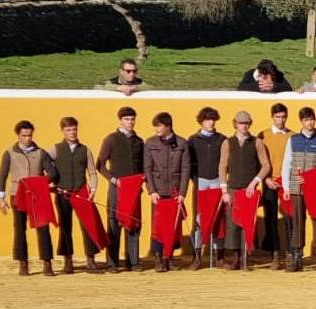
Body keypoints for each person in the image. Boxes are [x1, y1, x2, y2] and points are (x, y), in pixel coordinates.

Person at [0, 120, 59, 276]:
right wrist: (0, 198)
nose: (28, 138)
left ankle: (47, 262)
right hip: (17, 194)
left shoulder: (41, 152)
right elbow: (2, 176)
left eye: (30, 135)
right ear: (18, 135)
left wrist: (40, 182)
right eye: (24, 135)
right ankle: (23, 263)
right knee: (19, 229)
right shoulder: (9, 153)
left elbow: (52, 173)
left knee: (43, 228)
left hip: (38, 195)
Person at [218, 111, 270, 270]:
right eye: (241, 123)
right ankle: (236, 258)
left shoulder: (257, 142)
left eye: (246, 123)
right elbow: (222, 166)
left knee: (248, 224)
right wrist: (224, 190)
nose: (244, 126)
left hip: (249, 190)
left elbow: (266, 165)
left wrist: (255, 182)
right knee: (233, 224)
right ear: (235, 124)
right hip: (233, 188)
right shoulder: (228, 142)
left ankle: (246, 258)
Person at [281, 107, 316, 272]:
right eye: (306, 120)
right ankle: (297, 258)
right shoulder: (293, 140)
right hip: (296, 187)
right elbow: (287, 164)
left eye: (312, 119)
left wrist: (312, 180)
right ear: (301, 122)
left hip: (315, 189)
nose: (310, 123)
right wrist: (287, 187)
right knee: (297, 222)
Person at [48, 116, 100, 274]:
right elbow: (44, 166)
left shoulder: (85, 149)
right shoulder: (55, 149)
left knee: (88, 226)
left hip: (81, 192)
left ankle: (91, 260)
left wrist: (93, 189)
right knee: (65, 227)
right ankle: (68, 261)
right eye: (68, 130)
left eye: (74, 129)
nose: (72, 132)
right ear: (63, 131)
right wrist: (50, 183)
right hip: (63, 193)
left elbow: (92, 172)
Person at [97, 106, 144, 272]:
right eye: (126, 119)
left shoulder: (138, 141)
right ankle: (112, 262)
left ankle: (133, 261)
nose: (130, 122)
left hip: (134, 188)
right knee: (114, 222)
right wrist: (113, 179)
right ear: (120, 121)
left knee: (134, 222)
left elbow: (143, 165)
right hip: (118, 186)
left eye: (132, 119)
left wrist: (142, 178)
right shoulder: (111, 139)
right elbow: (100, 164)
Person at [144, 112, 191, 273]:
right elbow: (147, 168)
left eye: (159, 126)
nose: (156, 128)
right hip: (158, 191)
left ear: (168, 126)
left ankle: (168, 258)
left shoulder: (182, 143)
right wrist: (151, 190)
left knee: (173, 226)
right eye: (155, 126)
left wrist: (183, 192)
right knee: (158, 226)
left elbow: (186, 170)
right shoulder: (150, 143)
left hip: (175, 191)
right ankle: (158, 258)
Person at [186, 107, 226, 270]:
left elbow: (225, 162)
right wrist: (195, 180)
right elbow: (189, 163)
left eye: (213, 119)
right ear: (201, 121)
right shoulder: (193, 140)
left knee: (218, 218)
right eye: (208, 119)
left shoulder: (222, 139)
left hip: (216, 180)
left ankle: (219, 257)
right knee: (199, 218)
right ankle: (197, 256)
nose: (211, 122)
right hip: (200, 181)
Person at [258, 103, 293, 270]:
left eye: (283, 117)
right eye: (278, 117)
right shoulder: (262, 135)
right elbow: (257, 160)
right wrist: (265, 180)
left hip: (286, 182)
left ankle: (290, 253)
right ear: (272, 117)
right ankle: (274, 255)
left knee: (289, 219)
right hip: (270, 181)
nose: (281, 120)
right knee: (270, 219)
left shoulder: (293, 136)